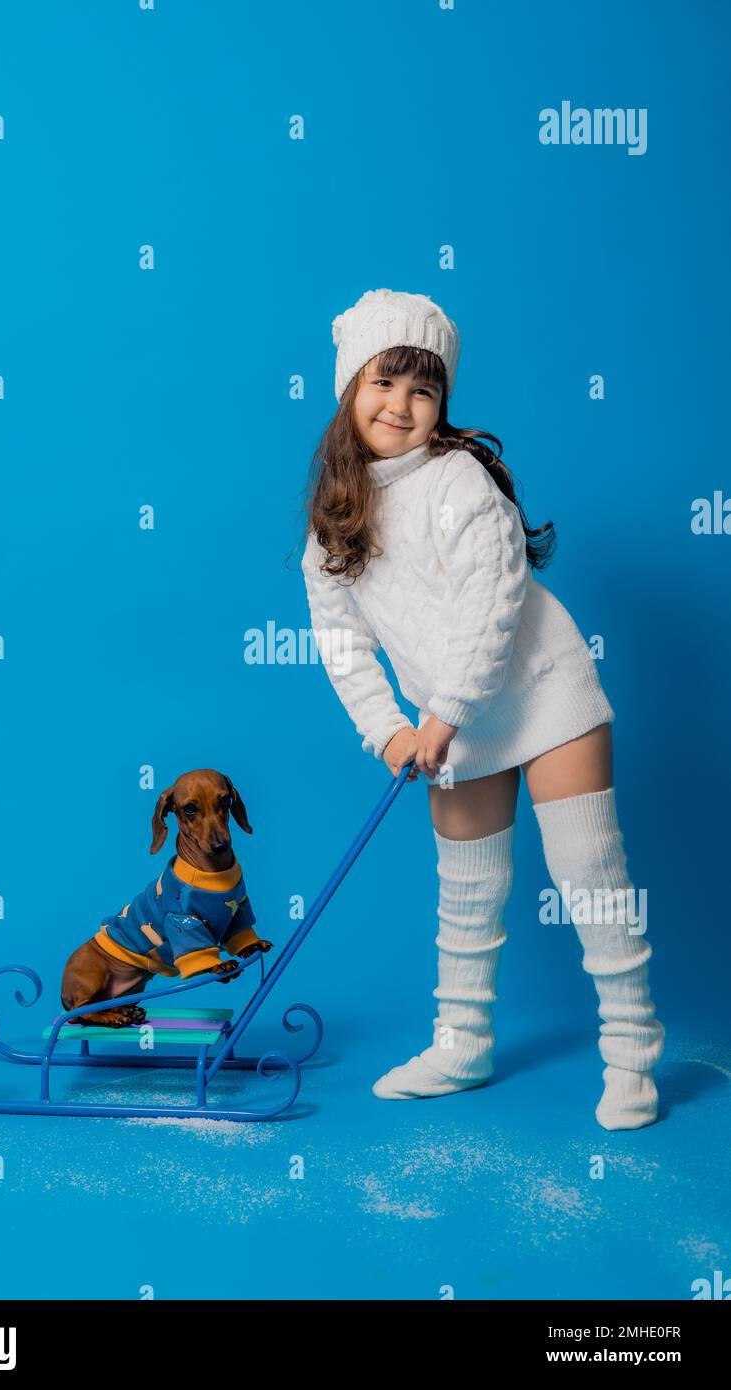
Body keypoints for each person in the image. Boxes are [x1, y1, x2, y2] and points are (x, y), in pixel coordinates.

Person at [299, 288, 665, 1130]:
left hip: (541, 691)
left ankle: (633, 1047)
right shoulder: (332, 527)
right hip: (444, 720)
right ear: (348, 391)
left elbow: (493, 605)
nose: (400, 405)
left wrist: (444, 713)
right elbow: (343, 645)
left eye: (422, 391)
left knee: (591, 878)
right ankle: (462, 1041)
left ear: (443, 406)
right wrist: (389, 730)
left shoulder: (460, 480)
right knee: (467, 892)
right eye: (382, 384)